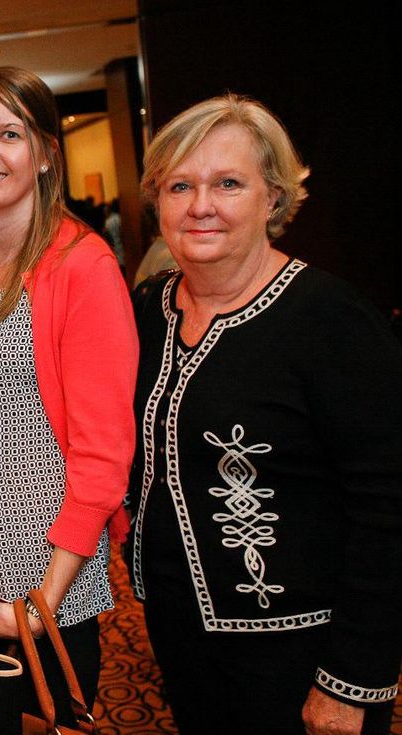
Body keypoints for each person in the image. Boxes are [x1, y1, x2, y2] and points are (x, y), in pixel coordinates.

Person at [126, 93, 402, 735]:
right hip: (180, 636)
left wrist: (353, 681)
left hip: (303, 654)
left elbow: (389, 510)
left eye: (228, 183)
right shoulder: (147, 310)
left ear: (272, 198)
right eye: (179, 185)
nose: (201, 205)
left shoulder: (330, 322)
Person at [0, 66, 138, 722]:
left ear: (45, 153)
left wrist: (39, 601)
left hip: (48, 594)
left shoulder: (82, 268)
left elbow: (104, 457)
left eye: (8, 133)